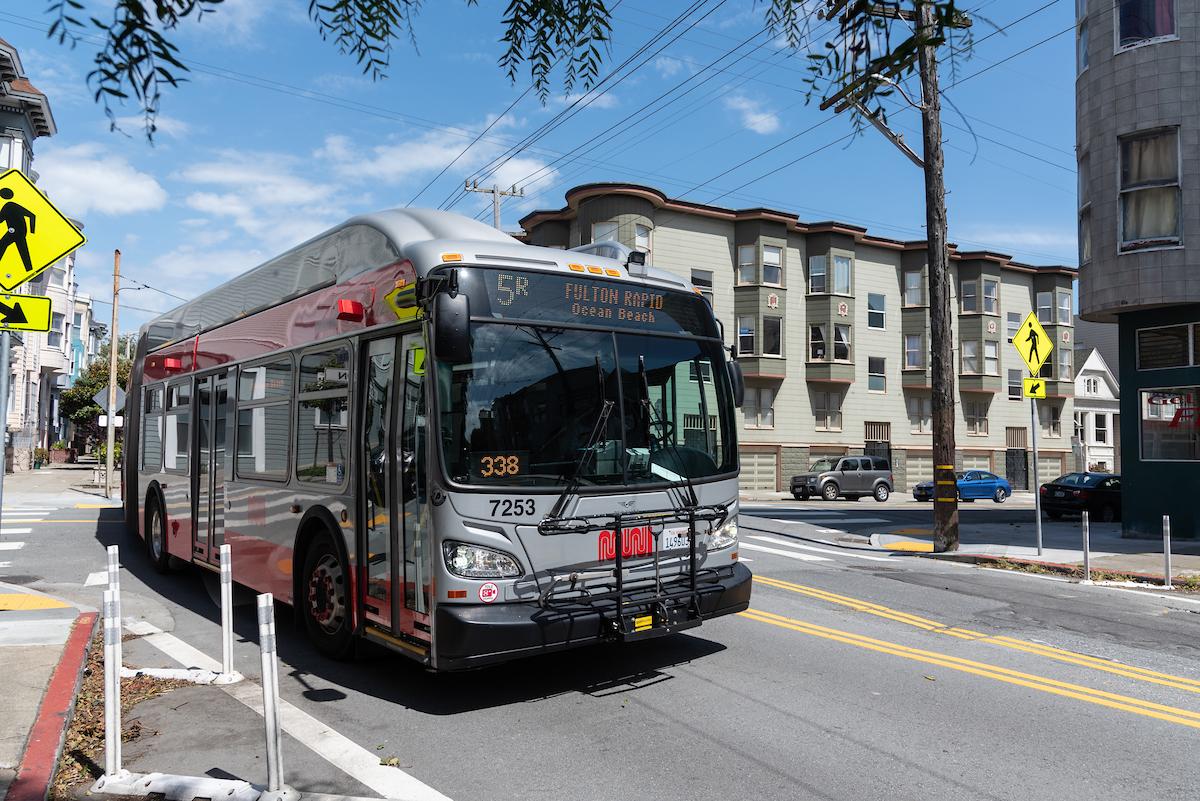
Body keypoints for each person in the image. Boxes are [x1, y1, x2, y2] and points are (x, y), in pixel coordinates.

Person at [0, 187, 36, 273]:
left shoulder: (8, 206)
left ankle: (29, 269)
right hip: (21, 232)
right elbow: (32, 216)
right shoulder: (13, 205)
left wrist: (32, 232)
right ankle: (29, 269)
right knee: (23, 252)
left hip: (14, 232)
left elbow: (0, 219)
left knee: (2, 244)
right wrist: (31, 232)